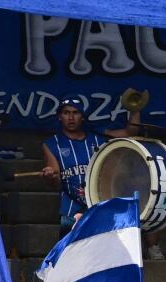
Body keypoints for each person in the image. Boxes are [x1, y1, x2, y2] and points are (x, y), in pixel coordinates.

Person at [37, 94, 143, 233]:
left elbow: (129, 133)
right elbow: (56, 183)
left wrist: (135, 109)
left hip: (99, 204)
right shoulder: (52, 144)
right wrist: (50, 176)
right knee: (71, 252)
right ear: (59, 116)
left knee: (101, 251)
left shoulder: (98, 136)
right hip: (71, 209)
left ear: (82, 117)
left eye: (75, 113)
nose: (70, 117)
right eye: (66, 113)